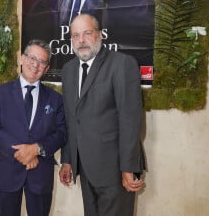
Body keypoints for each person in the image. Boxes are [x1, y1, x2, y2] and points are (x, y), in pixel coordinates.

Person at [59, 14, 146, 216]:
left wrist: (128, 168)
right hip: (85, 170)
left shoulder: (122, 64)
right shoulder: (68, 70)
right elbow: (72, 119)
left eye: (87, 33)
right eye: (75, 35)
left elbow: (130, 121)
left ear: (99, 35)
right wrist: (68, 159)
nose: (81, 40)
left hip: (115, 171)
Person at [0, 39, 67, 216]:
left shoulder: (55, 100)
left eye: (42, 61)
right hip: (6, 171)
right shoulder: (0, 93)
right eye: (31, 58)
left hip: (40, 174)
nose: (35, 65)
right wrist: (23, 154)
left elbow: (61, 133)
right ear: (22, 59)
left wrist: (37, 149)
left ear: (46, 68)